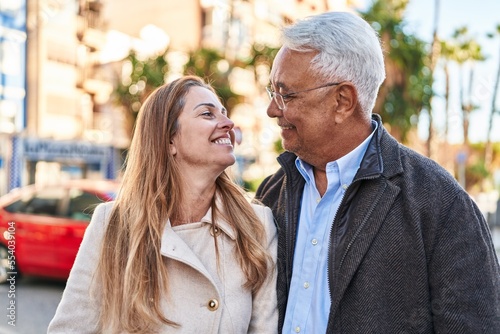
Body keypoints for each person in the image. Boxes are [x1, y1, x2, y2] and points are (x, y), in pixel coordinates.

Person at [255, 11, 500, 334]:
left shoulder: (440, 204)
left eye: (286, 95)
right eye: (273, 93)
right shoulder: (270, 195)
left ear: (342, 101)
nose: (273, 109)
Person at [48, 76, 278, 333]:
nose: (228, 123)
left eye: (224, 113)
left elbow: (265, 328)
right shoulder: (113, 223)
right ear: (169, 140)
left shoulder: (257, 224)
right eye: (207, 114)